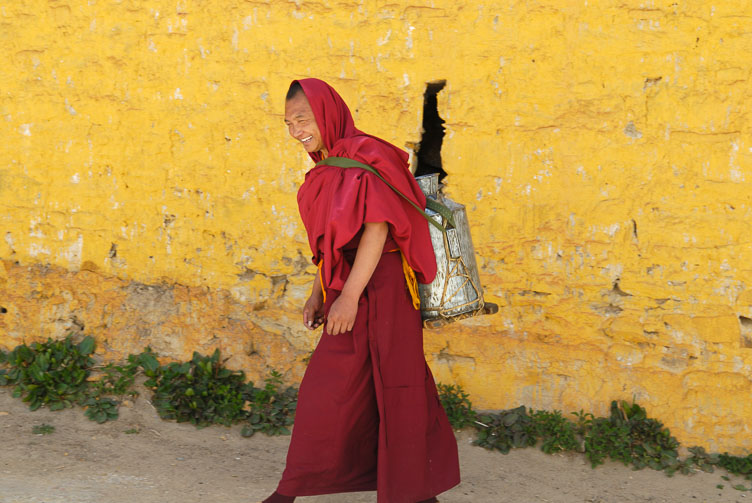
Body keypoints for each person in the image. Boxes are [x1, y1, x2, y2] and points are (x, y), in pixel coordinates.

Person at [261, 78, 460, 503]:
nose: (296, 131)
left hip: (383, 288)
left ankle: (414, 492)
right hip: (346, 285)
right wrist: (319, 292)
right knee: (329, 389)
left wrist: (349, 296)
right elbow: (332, 242)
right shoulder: (328, 166)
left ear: (327, 113)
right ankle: (291, 490)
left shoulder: (364, 155)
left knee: (399, 384)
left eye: (303, 119)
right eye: (288, 123)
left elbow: (378, 226)